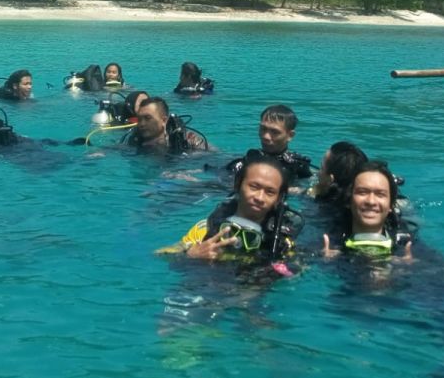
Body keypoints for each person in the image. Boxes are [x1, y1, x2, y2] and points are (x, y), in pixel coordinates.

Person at [166, 155, 301, 264]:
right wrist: (191, 255)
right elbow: (163, 254)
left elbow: (298, 271)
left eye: (270, 192)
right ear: (238, 185)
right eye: (254, 187)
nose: (260, 197)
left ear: (279, 199)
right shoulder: (206, 228)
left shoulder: (282, 242)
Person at [322, 161, 414, 260]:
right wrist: (324, 261)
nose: (371, 201)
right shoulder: (328, 239)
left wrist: (407, 269)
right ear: (348, 200)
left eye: (380, 194)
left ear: (391, 206)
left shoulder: (406, 243)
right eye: (362, 192)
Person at [221, 105, 313, 185]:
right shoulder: (244, 162)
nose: (266, 136)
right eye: (263, 129)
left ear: (290, 135)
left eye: (275, 132)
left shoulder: (299, 165)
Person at [125, 97, 211, 155]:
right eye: (139, 119)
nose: (142, 124)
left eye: (148, 118)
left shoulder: (188, 139)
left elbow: (214, 156)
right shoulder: (134, 140)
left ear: (164, 120)